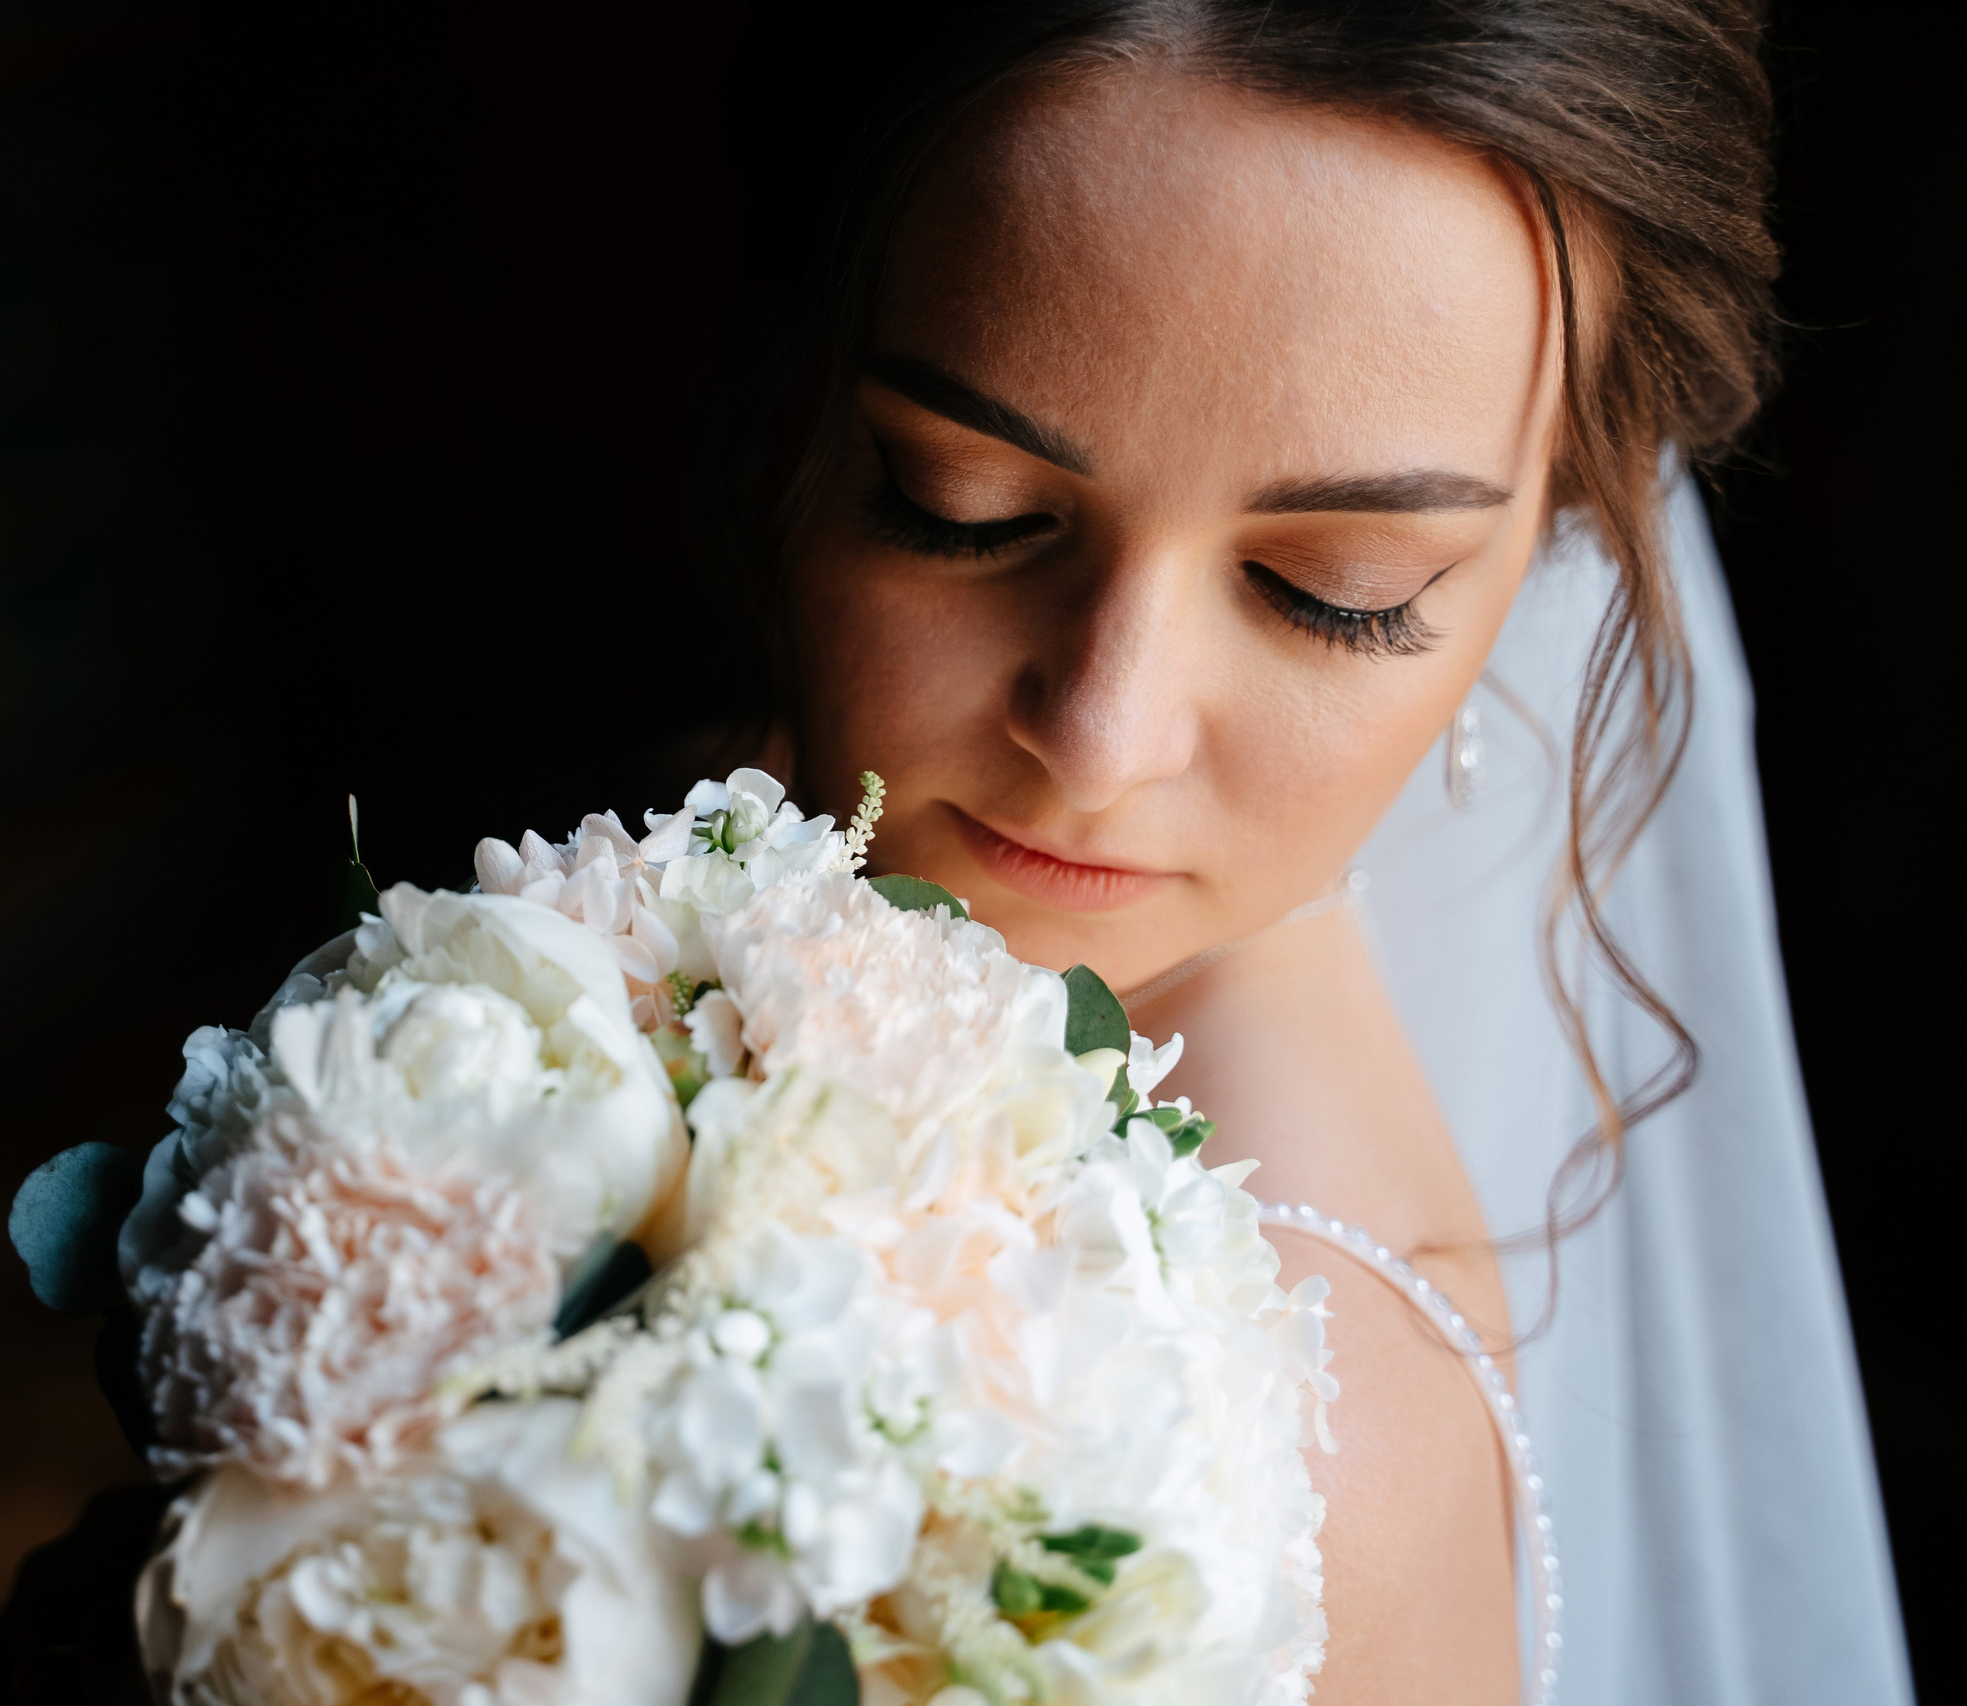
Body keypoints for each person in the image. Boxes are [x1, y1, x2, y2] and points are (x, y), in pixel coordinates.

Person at [716, 2, 1906, 1701]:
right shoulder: (686, 896)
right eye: (962, 506)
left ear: (1542, 563)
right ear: (808, 406)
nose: (1102, 734)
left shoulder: (1271, 1432)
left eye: (1329, 592)